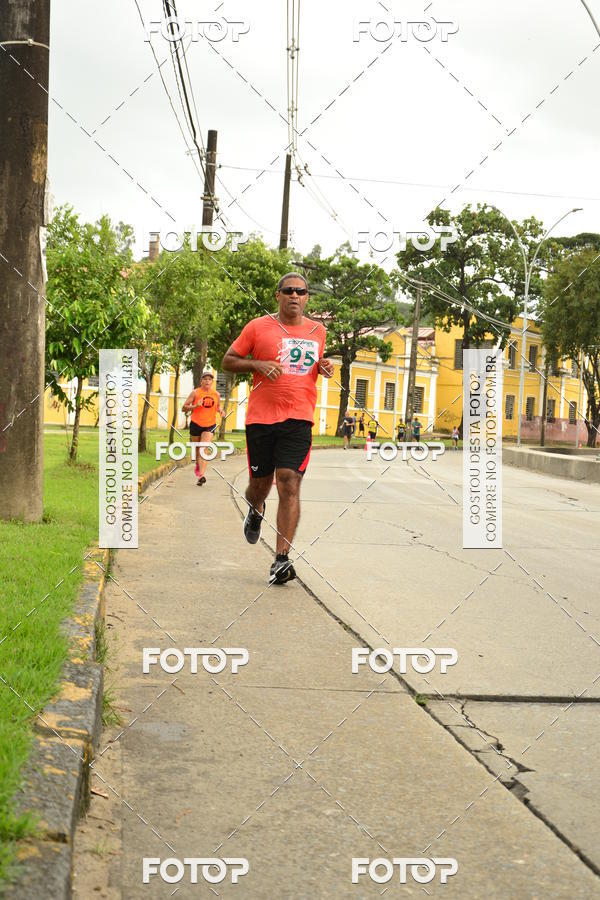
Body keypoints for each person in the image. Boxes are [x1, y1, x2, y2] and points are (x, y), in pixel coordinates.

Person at [222, 273, 334, 584]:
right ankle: (255, 509)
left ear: (307, 297)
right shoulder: (257, 327)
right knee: (260, 486)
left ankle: (281, 559)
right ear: (278, 295)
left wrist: (323, 366)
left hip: (299, 418)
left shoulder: (317, 330)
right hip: (261, 419)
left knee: (289, 481)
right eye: (289, 291)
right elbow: (228, 360)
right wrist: (256, 364)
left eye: (301, 291)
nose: (294, 296)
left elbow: (313, 364)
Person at [182, 372, 223, 486]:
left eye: (209, 379)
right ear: (201, 381)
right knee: (197, 450)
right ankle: (198, 466)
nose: (207, 381)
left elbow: (218, 406)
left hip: (210, 425)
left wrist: (220, 410)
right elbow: (183, 408)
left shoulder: (216, 394)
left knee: (203, 449)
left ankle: (201, 475)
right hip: (196, 424)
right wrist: (195, 406)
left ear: (212, 382)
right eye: (205, 379)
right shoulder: (195, 393)